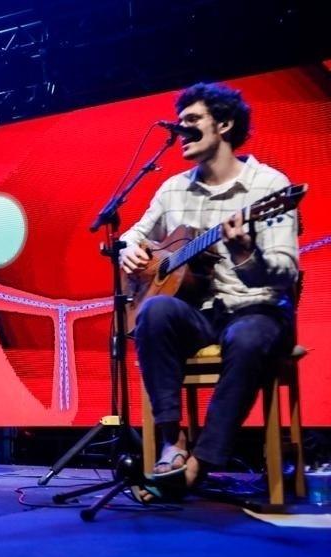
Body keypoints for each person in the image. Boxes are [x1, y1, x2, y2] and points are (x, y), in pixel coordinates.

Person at [119, 83, 299, 498]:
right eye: (178, 122)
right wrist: (131, 250)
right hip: (201, 313)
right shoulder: (173, 189)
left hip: (257, 309)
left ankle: (200, 464)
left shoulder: (268, 185)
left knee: (249, 335)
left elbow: (285, 272)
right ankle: (172, 442)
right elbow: (134, 235)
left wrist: (245, 254)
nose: (181, 129)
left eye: (192, 120)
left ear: (225, 124)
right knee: (155, 311)